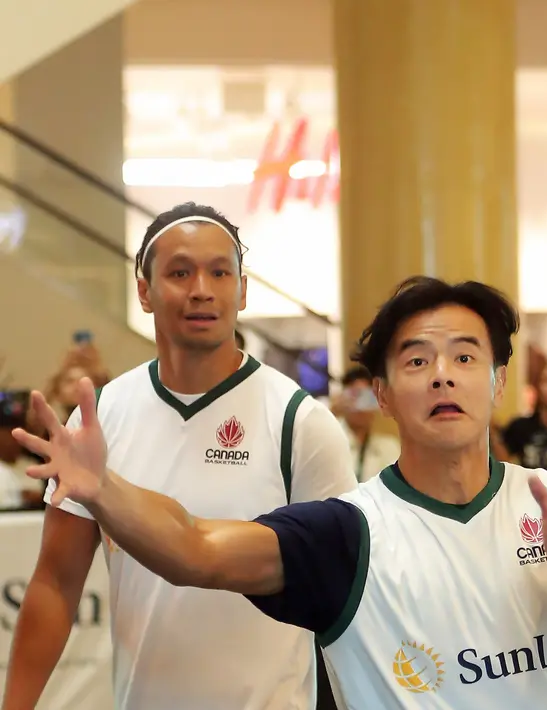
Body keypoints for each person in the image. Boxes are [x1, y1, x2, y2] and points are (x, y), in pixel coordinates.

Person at [15, 276, 547, 709]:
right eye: (415, 361)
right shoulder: (348, 533)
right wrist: (102, 489)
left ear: (497, 381)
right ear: (380, 393)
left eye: (464, 358)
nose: (441, 377)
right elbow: (195, 549)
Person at [1, 202, 356, 710]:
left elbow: (343, 593)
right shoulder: (100, 417)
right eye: (179, 272)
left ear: (243, 289)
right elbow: (56, 583)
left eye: (219, 272)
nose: (201, 290)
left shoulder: (300, 422)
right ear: (144, 291)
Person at [332, 365, 401, 483]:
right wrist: (332, 413)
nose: (361, 407)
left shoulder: (389, 448)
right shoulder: (331, 444)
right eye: (355, 396)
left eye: (367, 398)